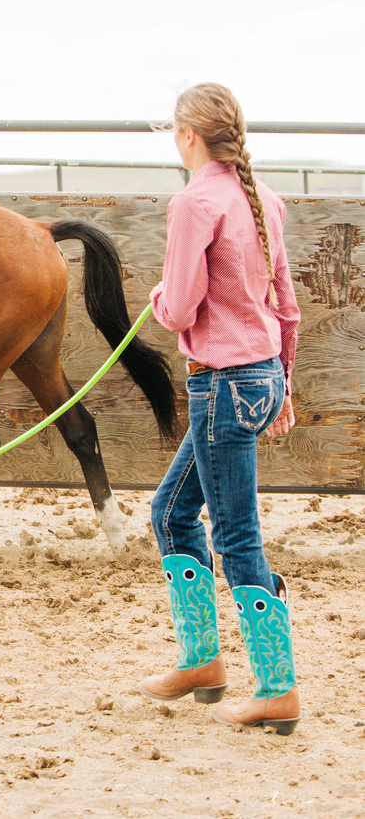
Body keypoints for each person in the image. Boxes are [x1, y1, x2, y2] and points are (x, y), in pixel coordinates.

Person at [139, 83, 302, 735]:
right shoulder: (263, 200)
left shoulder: (192, 203)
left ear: (187, 137)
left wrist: (155, 296)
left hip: (221, 387)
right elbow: (284, 305)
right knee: (172, 510)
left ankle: (277, 687)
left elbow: (177, 309)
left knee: (234, 536)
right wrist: (283, 387)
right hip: (257, 378)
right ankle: (201, 663)